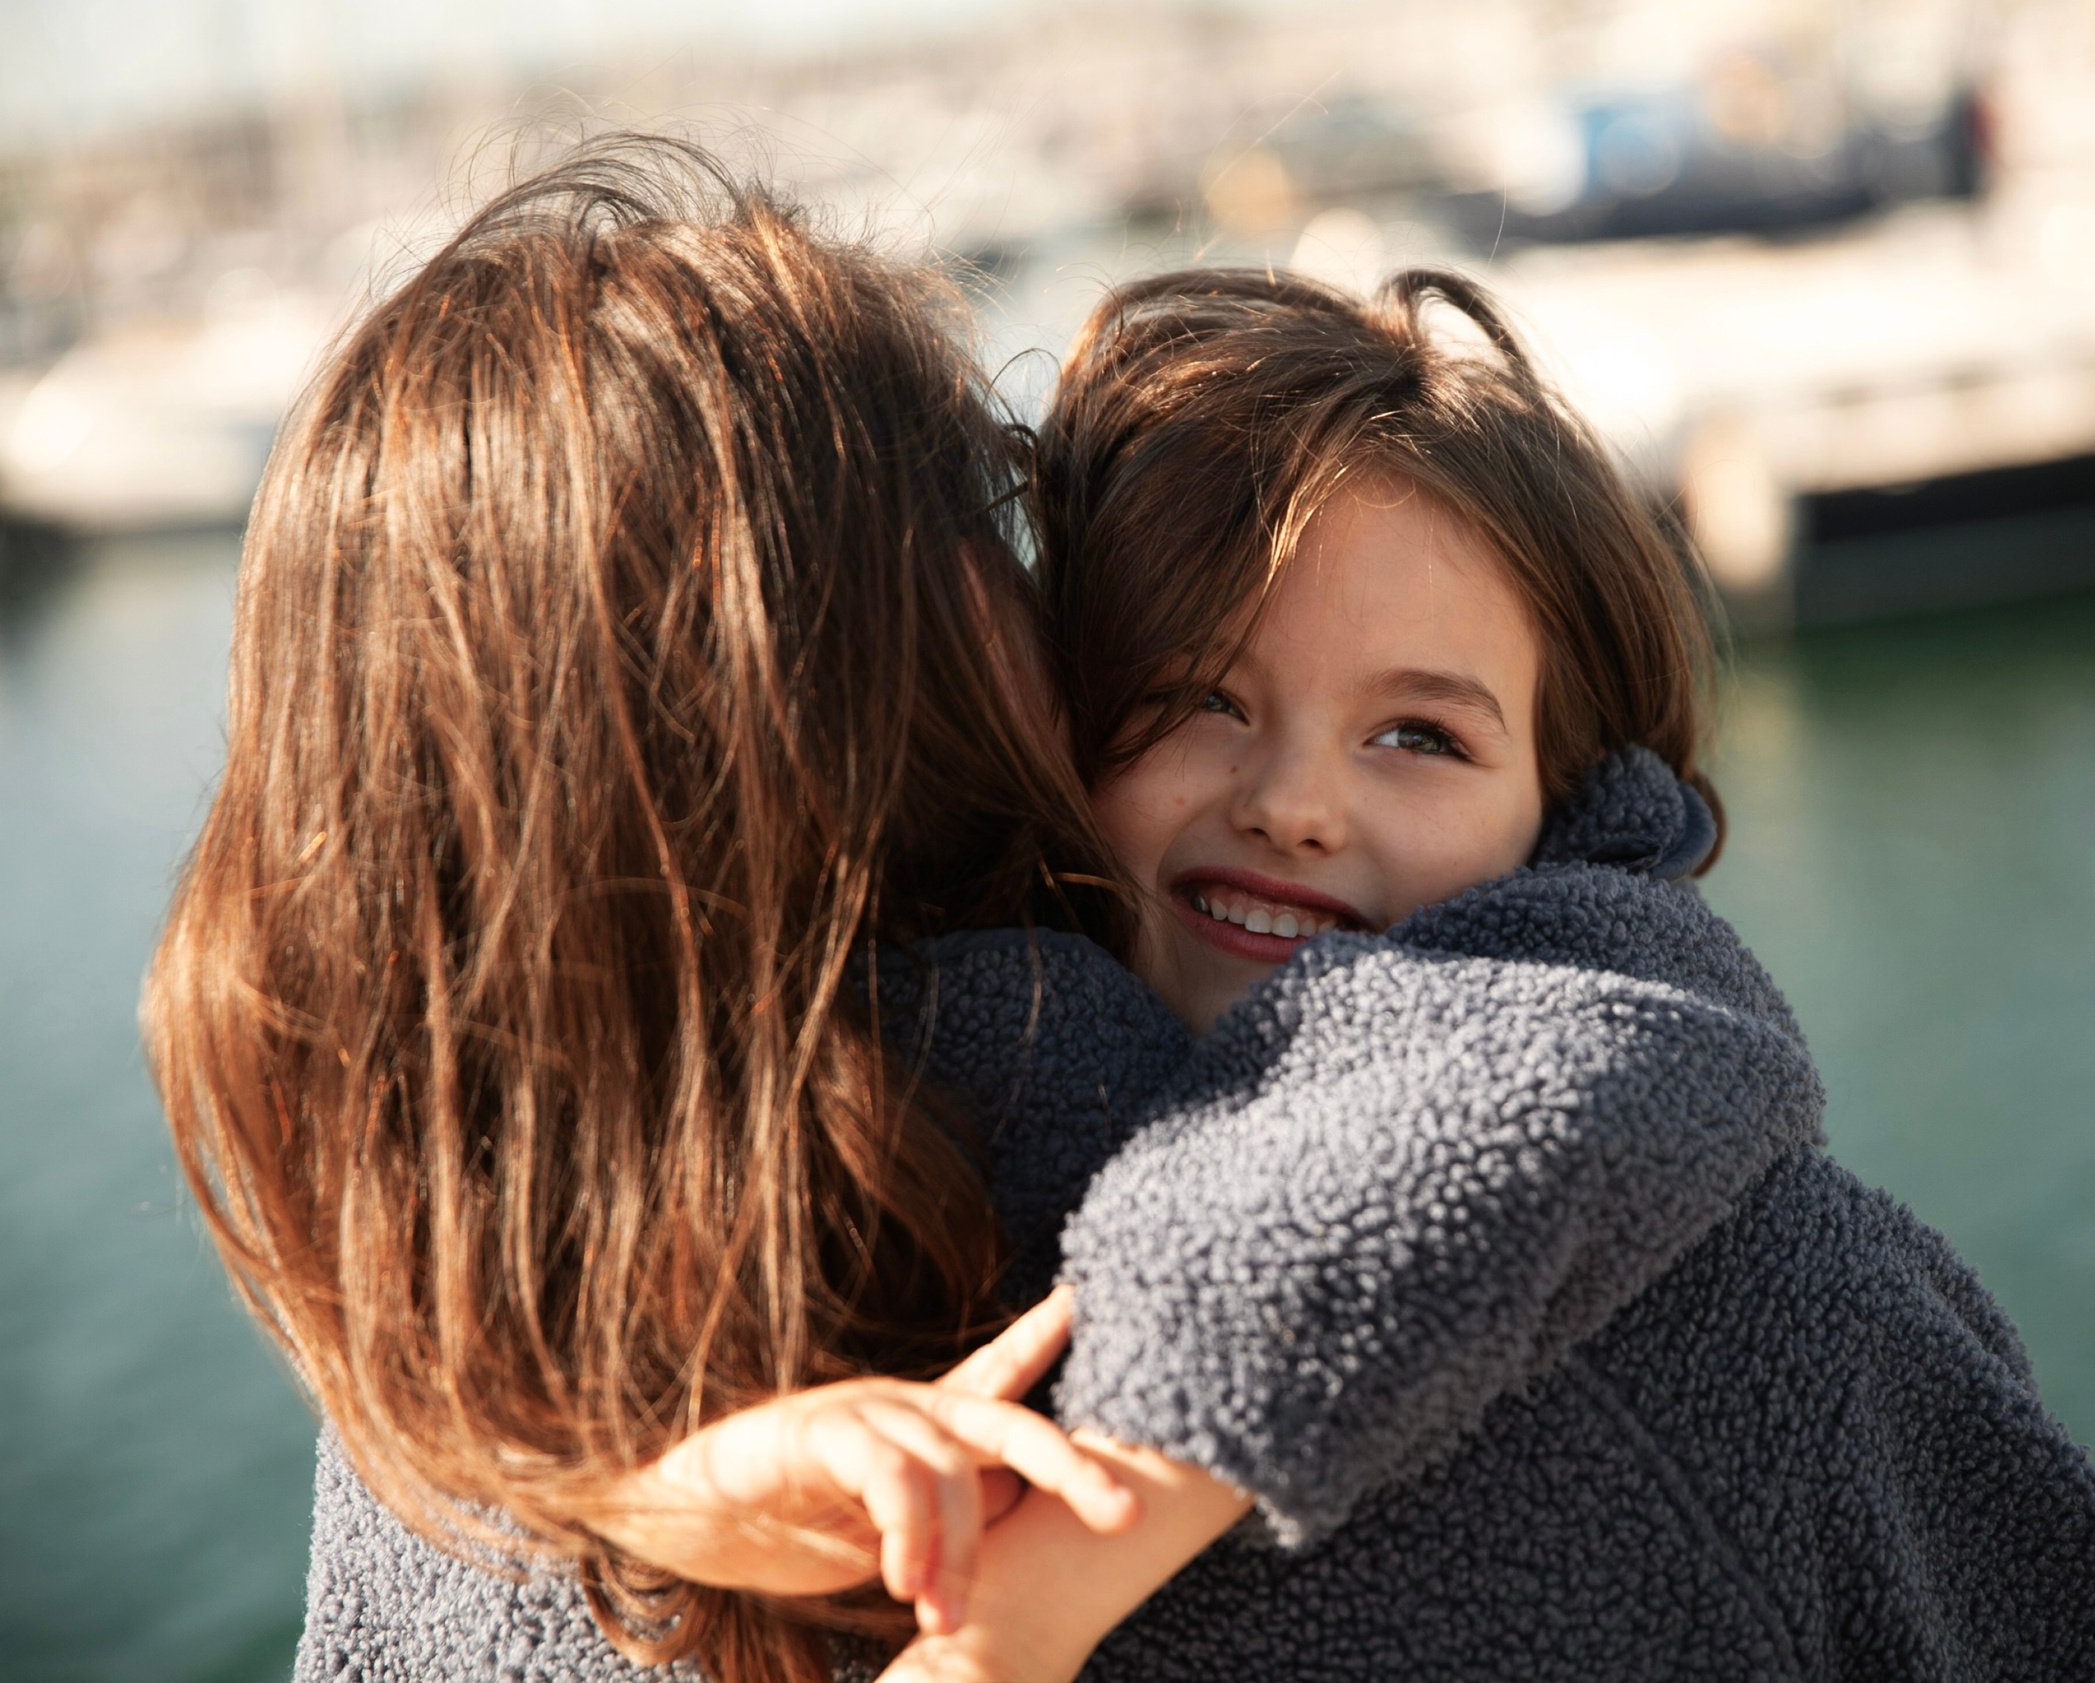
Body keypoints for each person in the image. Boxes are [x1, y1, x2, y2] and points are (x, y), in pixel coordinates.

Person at [151, 141, 1824, 1683]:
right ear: (844, 669)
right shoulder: (1689, 1314)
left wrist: (627, 1507)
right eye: (1188, 695)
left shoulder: (422, 1388)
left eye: (1420, 734)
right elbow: (1602, 1047)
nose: (1296, 801)